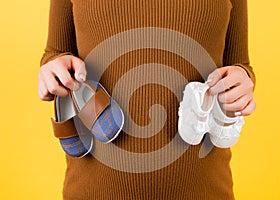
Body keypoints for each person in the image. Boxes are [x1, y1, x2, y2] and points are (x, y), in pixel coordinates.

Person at [38, 0, 256, 199]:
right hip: (93, 189)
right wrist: (54, 68)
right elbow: (55, 52)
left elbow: (240, 64)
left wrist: (242, 80)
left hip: (205, 189)